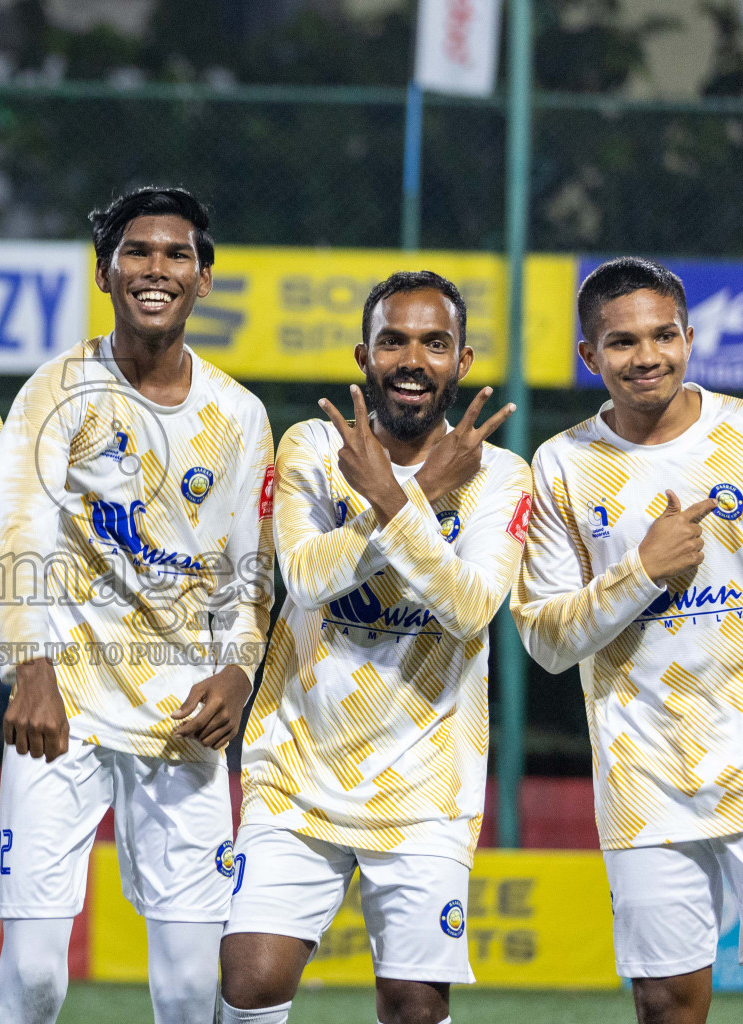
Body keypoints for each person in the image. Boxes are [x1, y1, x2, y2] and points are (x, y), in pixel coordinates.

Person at [513, 257, 743, 1024]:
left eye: (664, 335)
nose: (647, 356)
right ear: (589, 356)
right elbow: (545, 640)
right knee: (667, 1004)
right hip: (643, 776)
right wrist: (643, 570)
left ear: (689, 337)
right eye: (621, 342)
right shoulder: (562, 465)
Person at [0, 186, 276, 1024]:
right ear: (105, 272)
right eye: (137, 253)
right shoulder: (57, 390)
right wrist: (28, 670)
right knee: (35, 974)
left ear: (205, 278)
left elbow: (247, 578)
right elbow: (15, 542)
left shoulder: (240, 415)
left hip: (180, 715)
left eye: (176, 254)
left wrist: (238, 672)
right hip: (62, 710)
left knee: (190, 990)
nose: (157, 269)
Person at [218, 271, 528, 1024]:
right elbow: (306, 575)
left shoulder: (500, 475)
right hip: (297, 769)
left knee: (415, 1005)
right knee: (249, 980)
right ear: (365, 355)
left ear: (463, 360)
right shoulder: (314, 448)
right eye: (393, 340)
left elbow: (470, 608)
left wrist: (392, 499)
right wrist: (416, 500)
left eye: (433, 342)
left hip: (428, 782)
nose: (412, 358)